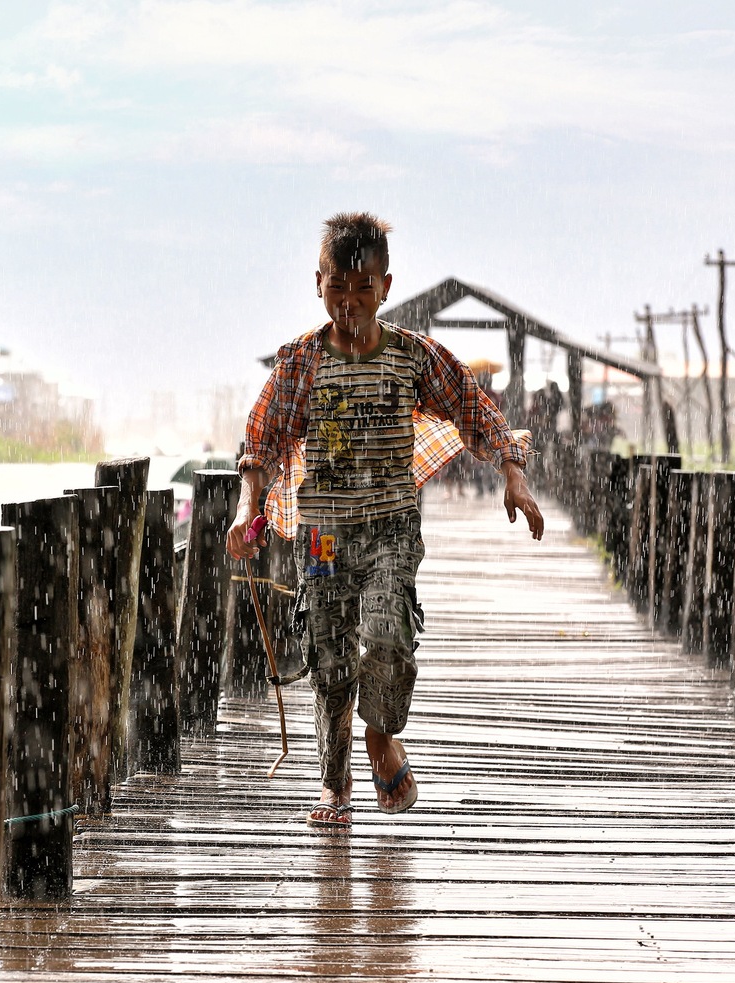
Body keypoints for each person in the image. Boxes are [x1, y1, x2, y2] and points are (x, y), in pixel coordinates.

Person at [227, 212, 543, 829]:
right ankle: (335, 785)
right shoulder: (299, 364)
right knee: (328, 658)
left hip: (391, 529)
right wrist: (247, 508)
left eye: (362, 289)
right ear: (318, 283)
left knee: (390, 634)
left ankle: (380, 734)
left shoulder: (412, 357)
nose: (348, 303)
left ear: (386, 287)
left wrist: (514, 475)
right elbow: (260, 444)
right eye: (337, 288)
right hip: (321, 536)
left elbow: (475, 411)